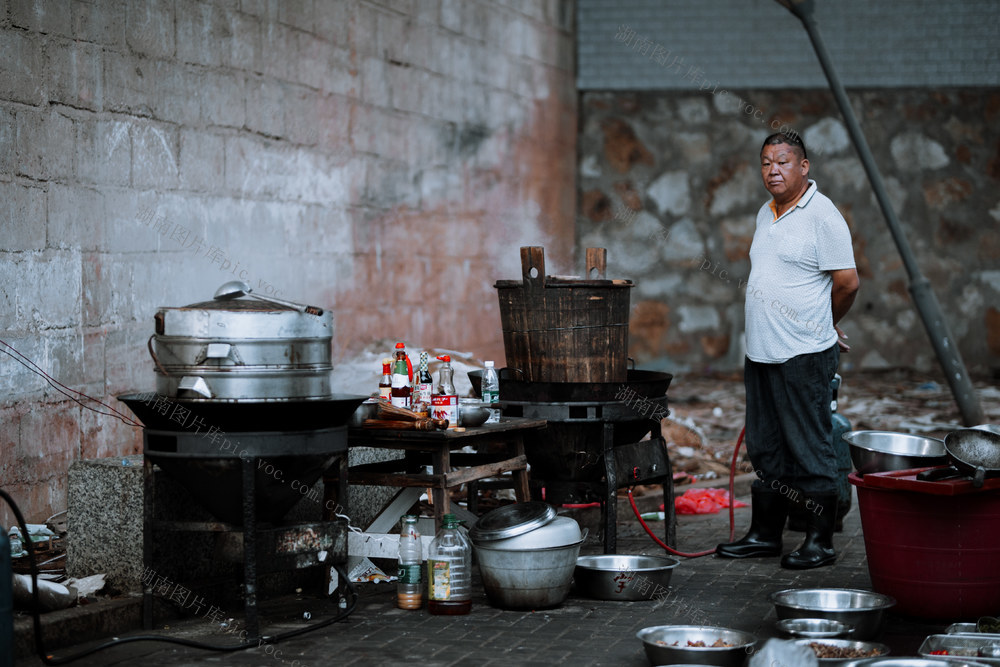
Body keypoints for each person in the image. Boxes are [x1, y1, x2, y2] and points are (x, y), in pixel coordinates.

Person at [716, 132, 859, 569]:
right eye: (765, 163)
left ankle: (820, 541)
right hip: (760, 352)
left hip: (803, 354)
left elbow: (848, 282)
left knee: (810, 445)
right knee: (766, 446)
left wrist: (825, 324)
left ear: (804, 167)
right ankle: (765, 536)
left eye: (782, 162)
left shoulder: (823, 215)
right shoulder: (767, 212)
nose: (773, 170)